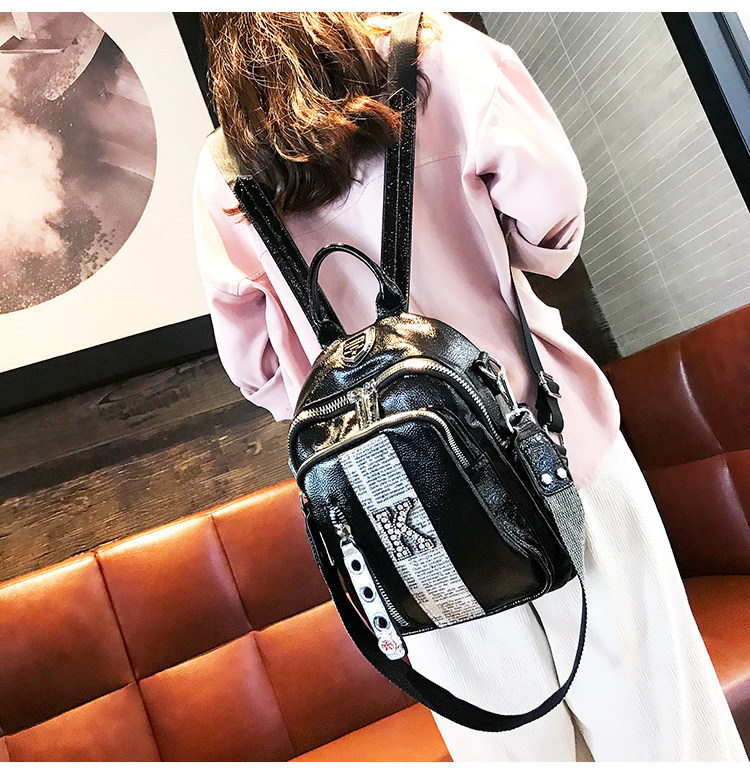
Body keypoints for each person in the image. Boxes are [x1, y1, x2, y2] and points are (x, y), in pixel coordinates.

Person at [193, 11, 748, 762]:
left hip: (405, 516)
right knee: (666, 739)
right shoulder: (436, 51)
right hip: (548, 447)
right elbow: (553, 217)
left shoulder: (222, 167)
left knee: (514, 756)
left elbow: (257, 369)